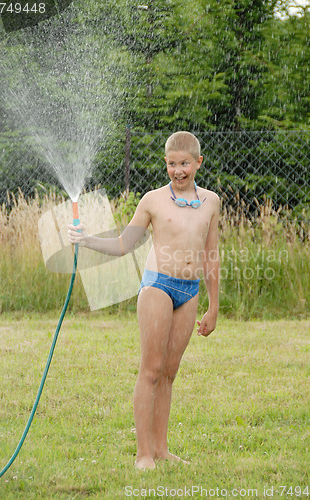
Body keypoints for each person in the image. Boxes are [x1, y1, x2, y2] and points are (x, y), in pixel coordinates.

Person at [68, 131, 220, 470]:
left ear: (197, 162)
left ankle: (162, 449)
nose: (178, 171)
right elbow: (124, 244)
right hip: (158, 286)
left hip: (190, 290)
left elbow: (211, 254)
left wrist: (213, 306)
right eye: (171, 164)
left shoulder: (211, 202)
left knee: (169, 372)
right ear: (164, 163)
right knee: (151, 370)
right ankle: (144, 454)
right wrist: (87, 240)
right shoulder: (152, 200)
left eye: (184, 164)